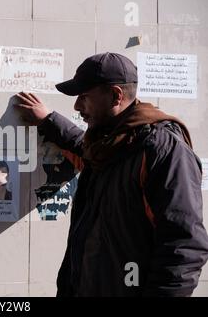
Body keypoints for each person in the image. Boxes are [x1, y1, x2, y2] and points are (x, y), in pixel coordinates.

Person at [15, 52, 208, 297]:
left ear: (116, 95)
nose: (77, 106)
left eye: (84, 97)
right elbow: (82, 148)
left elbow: (184, 246)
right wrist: (49, 121)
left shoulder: (162, 150)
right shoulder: (109, 144)